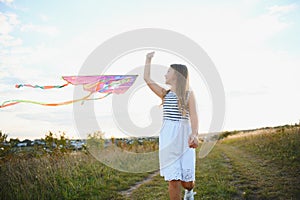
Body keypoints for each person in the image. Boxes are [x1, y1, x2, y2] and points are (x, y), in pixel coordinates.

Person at [143, 52, 199, 200]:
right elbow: (147, 79)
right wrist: (148, 59)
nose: (165, 74)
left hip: (184, 139)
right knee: (173, 181)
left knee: (187, 183)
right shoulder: (164, 94)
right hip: (168, 139)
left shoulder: (188, 94)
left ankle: (189, 191)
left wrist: (194, 134)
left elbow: (193, 116)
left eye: (168, 71)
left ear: (177, 75)